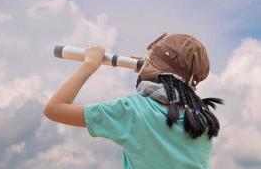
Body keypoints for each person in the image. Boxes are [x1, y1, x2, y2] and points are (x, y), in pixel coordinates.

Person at [43, 33, 224, 169]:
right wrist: (154, 71)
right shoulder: (203, 121)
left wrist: (89, 65)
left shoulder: (131, 112)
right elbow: (168, 99)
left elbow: (54, 109)